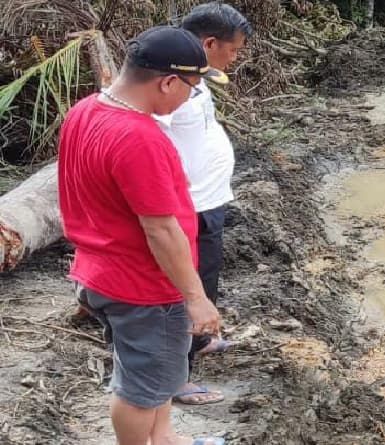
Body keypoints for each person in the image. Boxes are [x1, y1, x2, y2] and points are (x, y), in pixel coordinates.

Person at [58, 26, 225, 445]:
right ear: (167, 81)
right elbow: (161, 228)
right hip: (145, 286)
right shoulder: (140, 137)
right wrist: (196, 297)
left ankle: (164, 439)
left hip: (103, 269)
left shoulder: (87, 110)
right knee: (139, 390)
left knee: (152, 371)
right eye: (192, 87)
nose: (191, 97)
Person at [154, 2, 251, 406]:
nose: (234, 59)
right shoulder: (168, 84)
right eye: (232, 50)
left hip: (207, 201)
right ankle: (174, 378)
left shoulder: (194, 76)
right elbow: (152, 145)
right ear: (209, 42)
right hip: (186, 208)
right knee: (180, 291)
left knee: (204, 280)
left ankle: (198, 344)